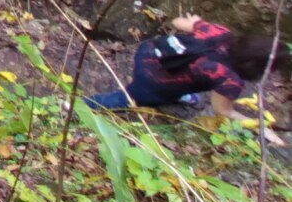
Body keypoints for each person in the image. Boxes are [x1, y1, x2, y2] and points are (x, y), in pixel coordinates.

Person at [86, 14, 288, 145]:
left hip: (150, 51)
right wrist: (258, 126)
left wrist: (195, 21)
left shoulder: (220, 32)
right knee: (126, 98)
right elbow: (223, 110)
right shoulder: (229, 80)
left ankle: (176, 96)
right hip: (153, 81)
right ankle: (80, 105)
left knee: (189, 81)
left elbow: (178, 23)